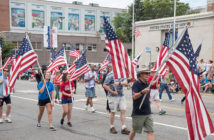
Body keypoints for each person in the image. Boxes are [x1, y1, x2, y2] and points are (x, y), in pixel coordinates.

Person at [103, 63, 130, 135]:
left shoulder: (122, 74)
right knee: (113, 112)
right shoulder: (110, 74)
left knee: (123, 110)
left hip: (121, 95)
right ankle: (112, 127)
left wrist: (119, 83)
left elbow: (126, 82)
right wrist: (112, 91)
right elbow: (104, 85)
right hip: (112, 96)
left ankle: (123, 127)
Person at [129, 68, 154, 140]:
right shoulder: (136, 84)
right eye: (146, 73)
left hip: (148, 112)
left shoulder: (147, 84)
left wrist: (149, 101)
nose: (148, 75)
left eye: (148, 73)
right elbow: (134, 96)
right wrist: (142, 92)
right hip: (138, 112)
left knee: (150, 132)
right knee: (134, 131)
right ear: (141, 74)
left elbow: (148, 95)